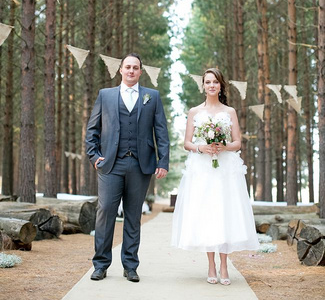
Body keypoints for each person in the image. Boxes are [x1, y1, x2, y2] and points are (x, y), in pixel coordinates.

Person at [86, 52, 169, 282]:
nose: (131, 71)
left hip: (141, 165)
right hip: (111, 165)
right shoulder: (106, 95)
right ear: (120, 70)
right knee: (106, 214)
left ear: (141, 72)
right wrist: (95, 157)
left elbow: (161, 132)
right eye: (127, 67)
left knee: (133, 216)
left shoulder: (152, 96)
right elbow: (92, 130)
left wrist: (163, 162)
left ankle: (130, 266)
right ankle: (100, 265)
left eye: (135, 68)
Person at [171, 68, 259, 285]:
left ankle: (224, 265)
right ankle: (211, 265)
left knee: (224, 213)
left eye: (215, 82)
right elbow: (187, 142)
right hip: (202, 169)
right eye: (208, 82)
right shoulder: (194, 111)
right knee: (207, 213)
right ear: (203, 85)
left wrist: (224, 146)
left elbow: (237, 141)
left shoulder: (229, 112)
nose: (211, 85)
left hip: (224, 169)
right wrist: (202, 148)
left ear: (221, 86)